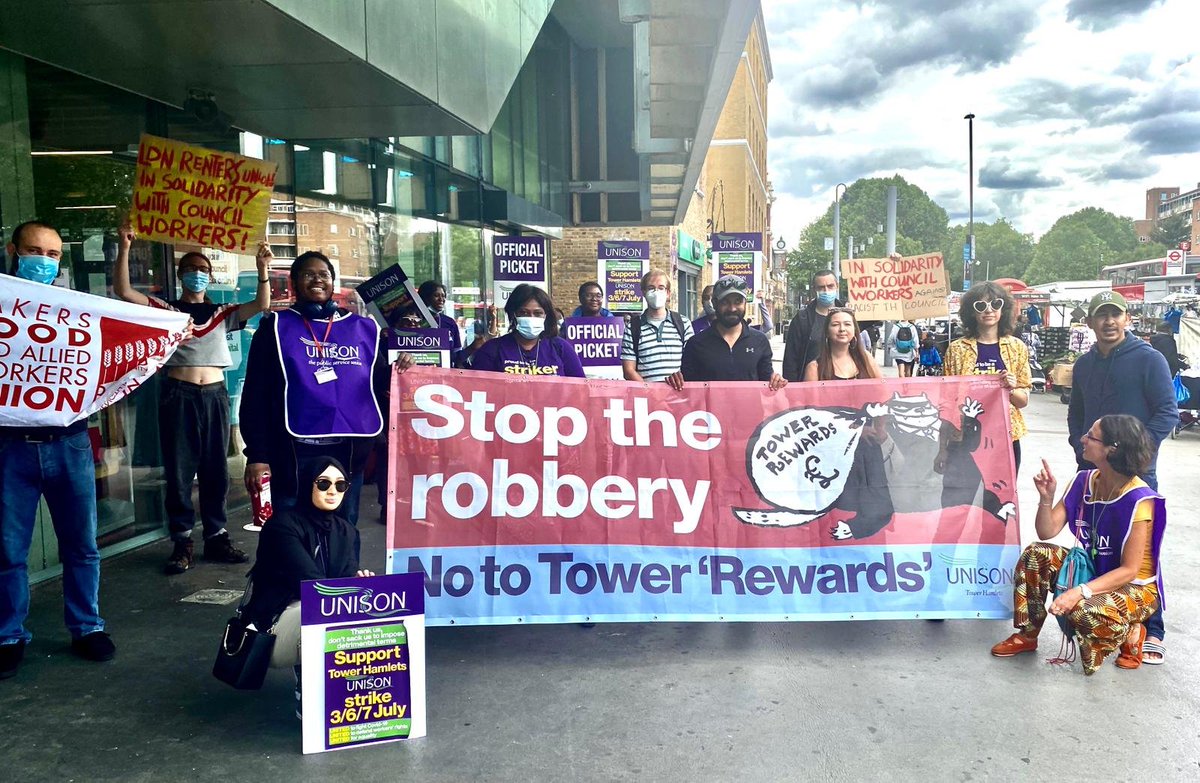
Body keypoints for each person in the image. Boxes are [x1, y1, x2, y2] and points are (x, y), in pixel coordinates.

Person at [113, 223, 270, 574]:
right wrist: (124, 246)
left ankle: (216, 535)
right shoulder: (166, 311)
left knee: (215, 468)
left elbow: (261, 303)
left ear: (210, 276)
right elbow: (123, 290)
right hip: (178, 394)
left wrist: (261, 268)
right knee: (180, 469)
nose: (197, 275)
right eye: (190, 270)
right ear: (180, 276)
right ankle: (182, 539)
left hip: (214, 394)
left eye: (202, 270)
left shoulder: (223, 314)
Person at [1, 221, 114, 678]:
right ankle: (8, 634)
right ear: (12, 251)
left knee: (82, 545)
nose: (43, 261)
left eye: (51, 254)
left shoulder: (78, 312)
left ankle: (87, 626)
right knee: (8, 551)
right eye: (33, 251)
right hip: (10, 448)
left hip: (69, 443)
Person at [240, 251, 414, 530]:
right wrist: (257, 455)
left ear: (333, 282)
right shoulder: (274, 328)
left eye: (324, 275)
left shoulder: (362, 329)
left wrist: (404, 367)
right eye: (308, 274)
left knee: (344, 528)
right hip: (293, 453)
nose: (317, 280)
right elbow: (256, 395)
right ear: (295, 283)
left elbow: (380, 381)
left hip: (348, 452)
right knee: (291, 529)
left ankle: (341, 576)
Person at [991, 415, 1165, 675]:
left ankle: (1130, 630)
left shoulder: (1139, 500)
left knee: (1084, 610)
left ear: (1112, 448)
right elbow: (1046, 530)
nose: (1083, 439)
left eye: (1091, 436)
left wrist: (1078, 592)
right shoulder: (1083, 480)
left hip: (1136, 588)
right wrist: (1046, 499)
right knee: (1035, 553)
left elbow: (1129, 571)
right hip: (1096, 571)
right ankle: (1027, 634)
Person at [1068, 290, 1176, 665]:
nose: (1109, 322)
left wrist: (1135, 454)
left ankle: (1153, 629)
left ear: (1127, 318)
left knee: (1142, 556)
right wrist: (1080, 448)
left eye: (1115, 315)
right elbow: (1075, 413)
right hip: (1093, 474)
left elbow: (1167, 413)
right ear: (1090, 322)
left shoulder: (1149, 360)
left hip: (1136, 475)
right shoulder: (1084, 365)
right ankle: (1113, 619)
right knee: (1099, 545)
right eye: (1101, 316)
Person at [241, 458, 373, 717]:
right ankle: (310, 691)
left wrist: (360, 585)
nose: (333, 491)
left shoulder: (346, 531)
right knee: (316, 610)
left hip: (318, 612)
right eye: (323, 483)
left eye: (341, 484)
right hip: (272, 627)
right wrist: (350, 591)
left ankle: (350, 691)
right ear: (308, 486)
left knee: (372, 605)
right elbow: (309, 583)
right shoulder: (282, 527)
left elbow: (342, 580)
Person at [944, 282, 1032, 470]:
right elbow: (947, 401)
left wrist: (1011, 388)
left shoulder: (1017, 348)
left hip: (1005, 437)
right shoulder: (956, 350)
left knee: (1001, 497)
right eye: (981, 306)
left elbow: (1023, 401)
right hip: (963, 438)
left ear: (1004, 309)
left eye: (995, 304)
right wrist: (942, 448)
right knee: (959, 497)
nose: (989, 310)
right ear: (971, 312)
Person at [668, 275, 786, 389]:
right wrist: (676, 382)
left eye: (738, 302)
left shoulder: (760, 341)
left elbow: (766, 384)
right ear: (715, 303)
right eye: (725, 302)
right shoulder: (696, 344)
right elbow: (687, 391)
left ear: (745, 303)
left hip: (750, 409)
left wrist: (775, 381)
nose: (732, 308)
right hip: (709, 410)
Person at [469, 284, 586, 377]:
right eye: (523, 313)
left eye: (538, 313)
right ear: (513, 314)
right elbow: (478, 390)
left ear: (546, 315)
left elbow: (580, 389)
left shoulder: (561, 348)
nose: (531, 318)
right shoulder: (492, 349)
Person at [620, 270, 693, 382]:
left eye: (661, 288)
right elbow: (628, 370)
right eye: (651, 288)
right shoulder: (632, 328)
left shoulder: (683, 323)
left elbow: (692, 362)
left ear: (668, 293)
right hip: (647, 396)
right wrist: (649, 392)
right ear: (643, 292)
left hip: (678, 395)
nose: (656, 292)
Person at [782, 270, 843, 381]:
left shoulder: (847, 316)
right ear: (814, 289)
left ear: (837, 286)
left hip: (842, 384)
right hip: (810, 385)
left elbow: (875, 319)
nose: (826, 291)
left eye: (830, 286)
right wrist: (792, 391)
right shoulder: (802, 319)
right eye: (821, 287)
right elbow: (790, 359)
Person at [803, 307, 881, 381]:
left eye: (847, 324)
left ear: (854, 330)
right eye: (835, 324)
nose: (842, 329)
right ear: (827, 332)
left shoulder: (866, 359)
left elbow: (882, 390)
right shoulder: (814, 368)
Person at [417, 280, 464, 367]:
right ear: (425, 297)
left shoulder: (450, 323)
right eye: (436, 295)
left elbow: (457, 356)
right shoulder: (414, 321)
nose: (441, 299)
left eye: (443, 296)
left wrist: (472, 347)